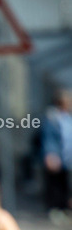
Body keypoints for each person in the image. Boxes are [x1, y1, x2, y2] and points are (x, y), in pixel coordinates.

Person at [41, 91, 72, 222]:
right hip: (56, 157)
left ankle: (64, 208)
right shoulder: (52, 117)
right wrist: (50, 154)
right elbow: (48, 138)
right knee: (55, 184)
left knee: (65, 183)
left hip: (67, 157)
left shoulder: (68, 117)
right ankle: (55, 209)